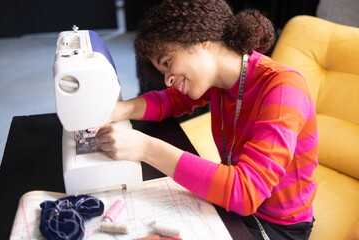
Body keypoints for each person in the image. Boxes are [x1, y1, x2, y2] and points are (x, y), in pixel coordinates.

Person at [96, 0, 318, 239]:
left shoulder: (283, 88)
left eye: (168, 62)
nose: (168, 80)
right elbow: (170, 101)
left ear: (202, 40)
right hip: (234, 207)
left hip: (277, 226)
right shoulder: (220, 82)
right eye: (163, 73)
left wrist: (144, 148)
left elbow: (246, 191)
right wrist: (120, 109)